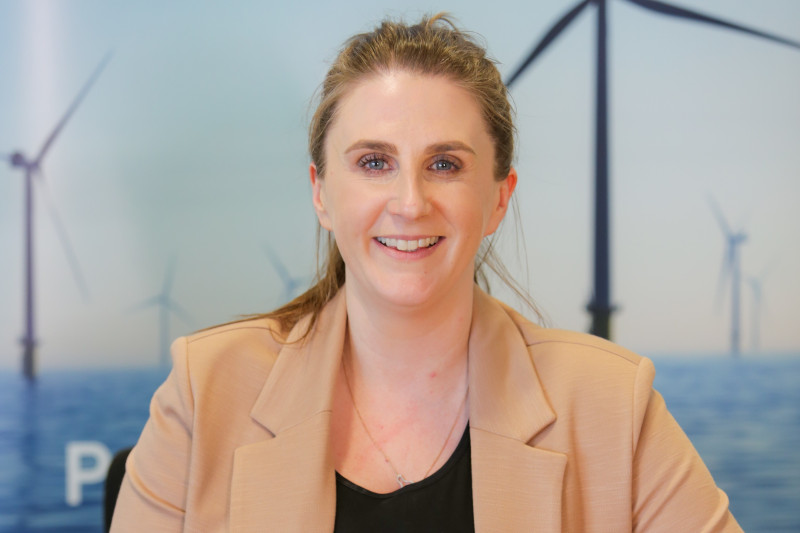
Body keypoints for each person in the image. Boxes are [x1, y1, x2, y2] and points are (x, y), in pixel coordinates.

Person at [111, 13, 742, 532]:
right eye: (373, 162)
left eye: (444, 164)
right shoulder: (205, 392)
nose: (410, 202)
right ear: (321, 193)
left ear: (498, 198)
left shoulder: (611, 405)